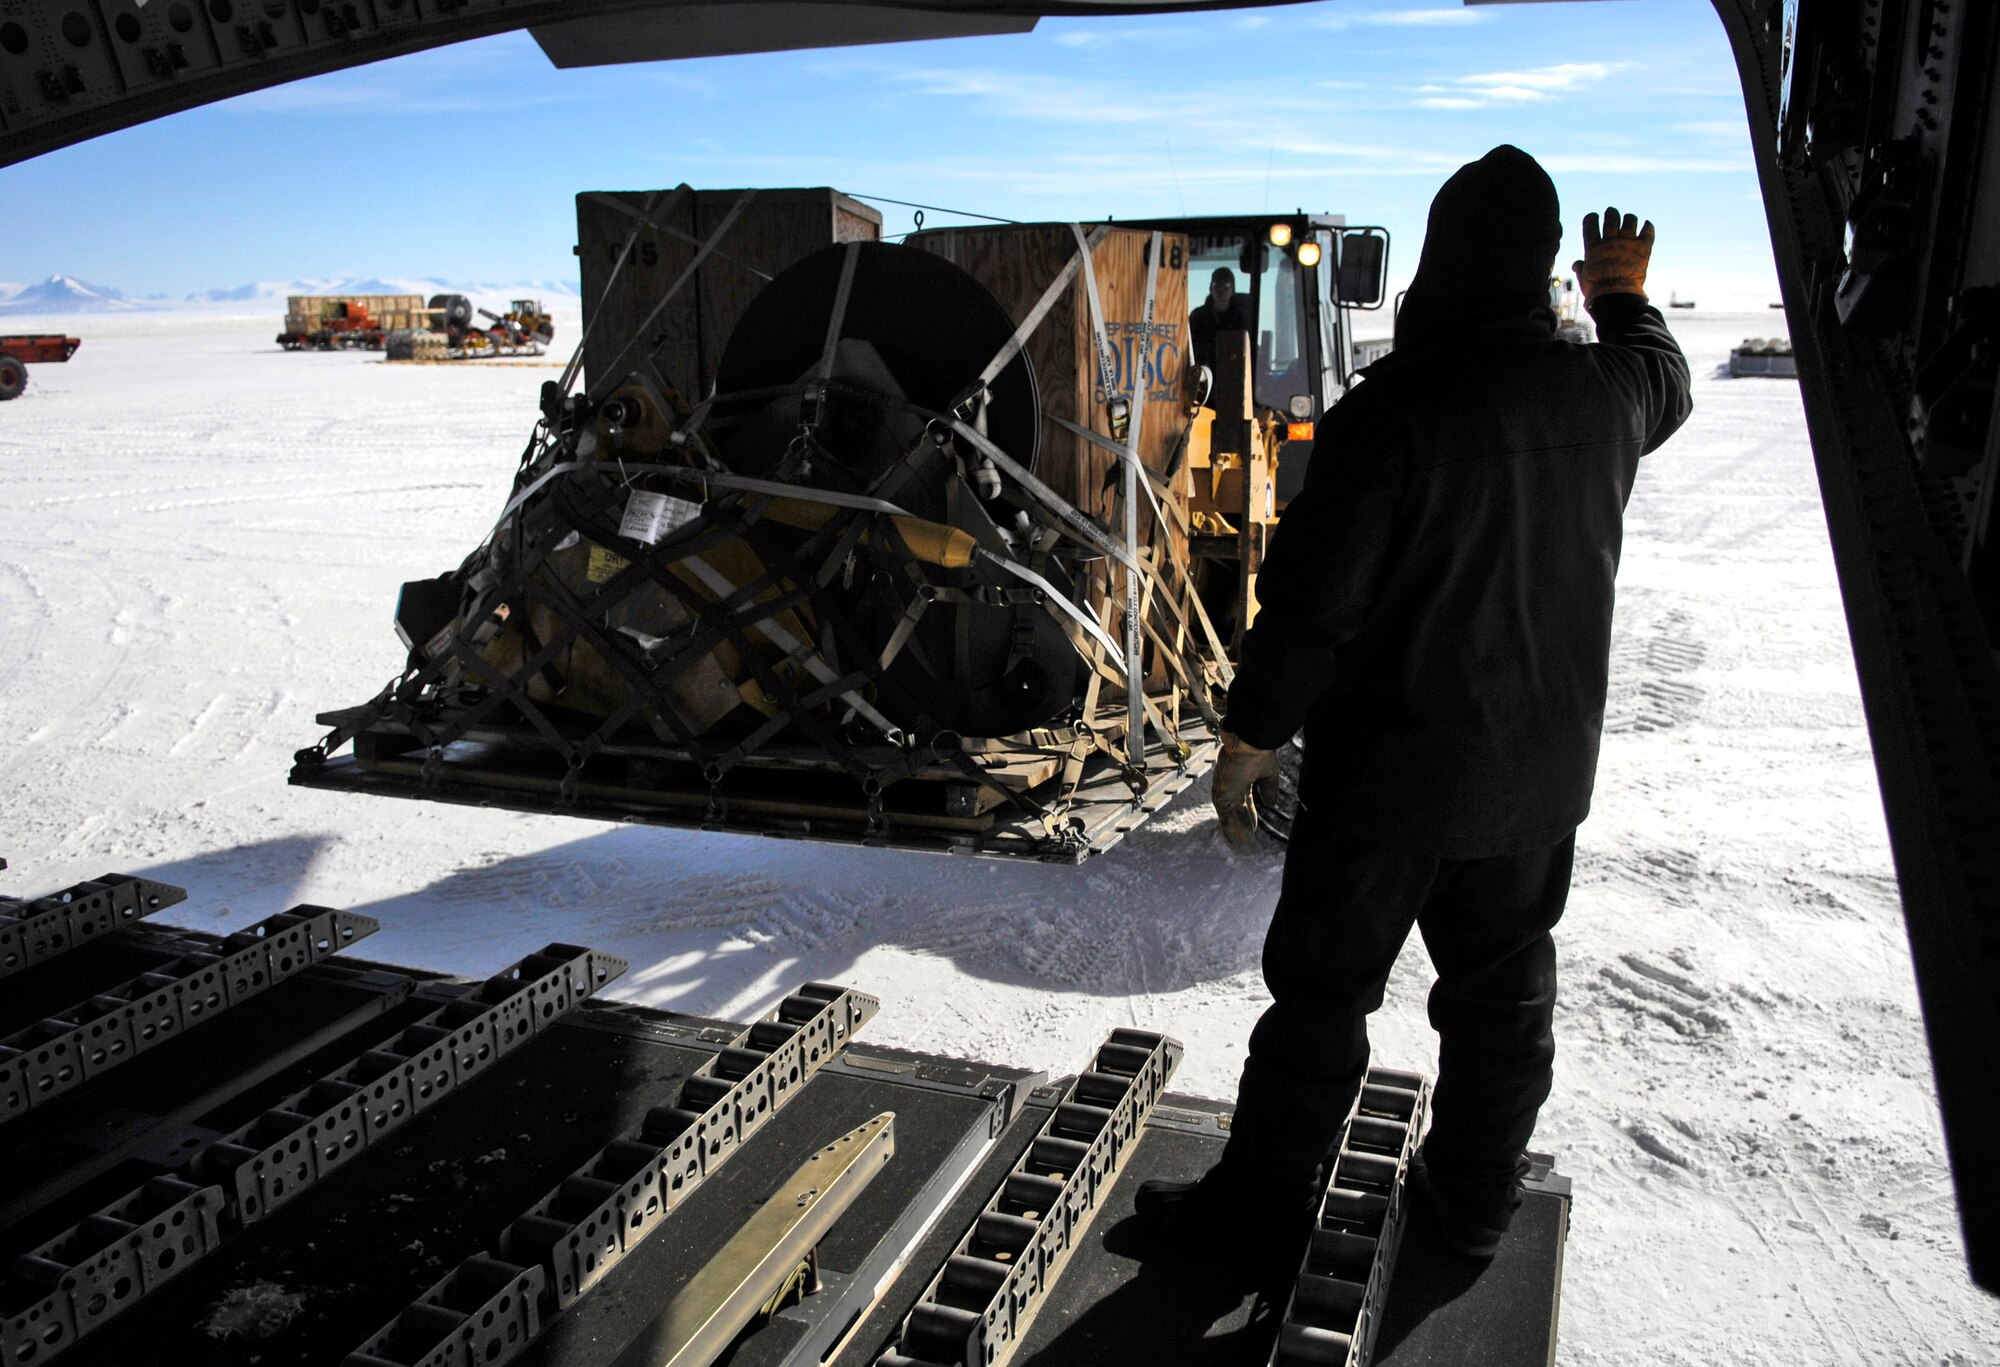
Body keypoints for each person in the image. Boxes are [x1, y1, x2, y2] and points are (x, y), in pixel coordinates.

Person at [1135, 145, 1692, 1268]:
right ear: (1544, 271)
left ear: (1432, 264)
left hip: (1386, 786)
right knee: (1499, 1004)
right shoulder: (1604, 395)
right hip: (1534, 781)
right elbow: (1664, 378)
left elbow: (1308, 608)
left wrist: (1248, 738)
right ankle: (1472, 1206)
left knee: (1320, 1000)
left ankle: (1257, 1212)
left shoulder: (1387, 414)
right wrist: (1622, 295)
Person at [1188, 267, 1253, 370]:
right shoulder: (1197, 317)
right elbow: (1188, 349)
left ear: (1232, 290)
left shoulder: (1242, 319)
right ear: (1210, 288)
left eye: (1226, 285)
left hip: (1234, 374)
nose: (1221, 290)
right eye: (1216, 285)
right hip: (1202, 375)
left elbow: (1249, 350)